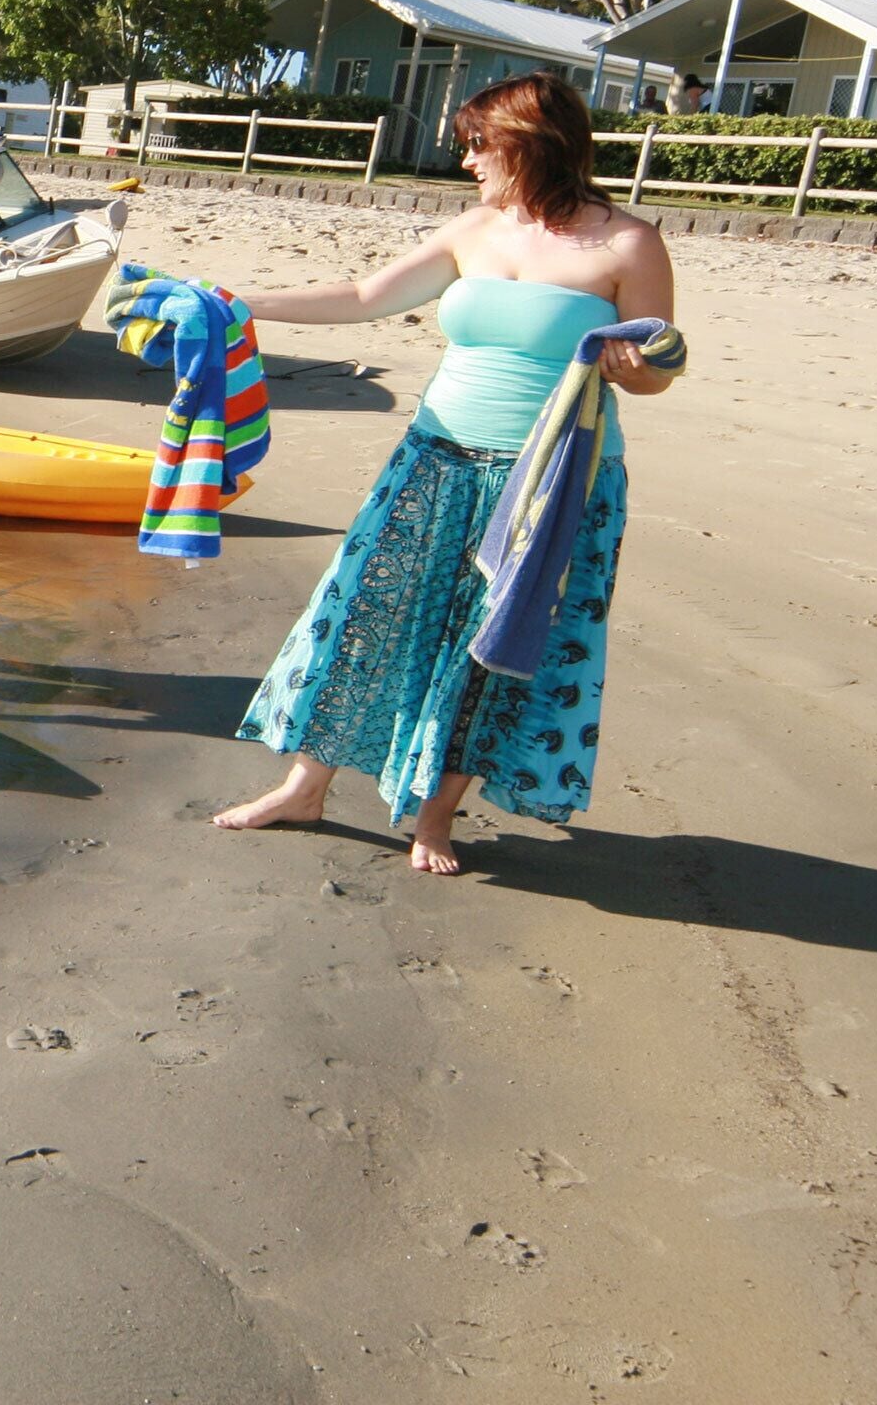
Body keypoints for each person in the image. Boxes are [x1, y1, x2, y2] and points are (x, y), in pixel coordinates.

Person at [210, 72, 680, 876]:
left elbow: (657, 370)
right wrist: (236, 302)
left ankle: (434, 819)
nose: (467, 161)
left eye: (477, 145)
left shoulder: (628, 244)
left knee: (493, 645)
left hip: (553, 482)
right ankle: (303, 789)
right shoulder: (475, 229)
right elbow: (365, 296)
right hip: (434, 460)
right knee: (366, 615)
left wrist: (636, 369)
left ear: (529, 144)